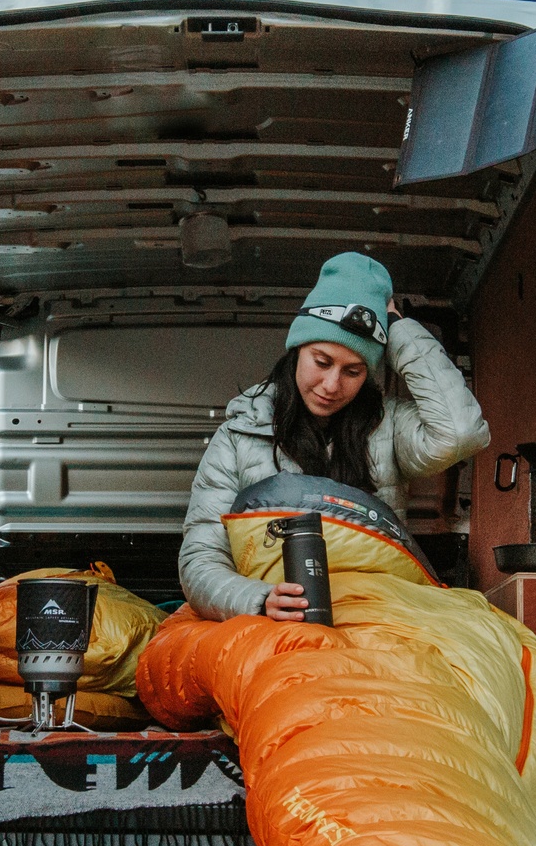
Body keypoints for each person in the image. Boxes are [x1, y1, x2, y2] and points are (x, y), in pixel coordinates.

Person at [179, 252, 489, 621]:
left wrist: (398, 328)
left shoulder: (386, 426)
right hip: (271, 621)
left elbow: (460, 433)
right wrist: (259, 599)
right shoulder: (239, 433)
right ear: (297, 350)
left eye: (353, 371)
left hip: (373, 617)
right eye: (321, 361)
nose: (331, 385)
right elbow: (201, 557)